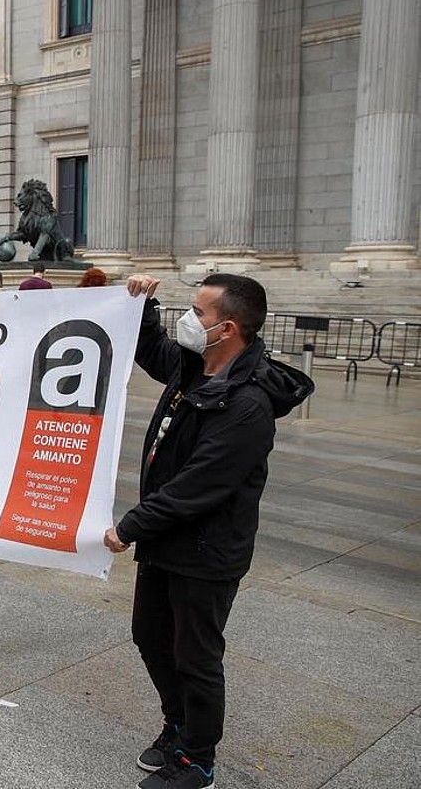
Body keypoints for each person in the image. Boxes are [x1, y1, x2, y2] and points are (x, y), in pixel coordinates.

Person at [105, 274, 313, 789]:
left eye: (197, 314)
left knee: (196, 656)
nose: (189, 321)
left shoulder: (248, 405)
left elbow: (200, 486)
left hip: (207, 549)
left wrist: (129, 527)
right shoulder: (195, 365)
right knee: (150, 636)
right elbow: (153, 350)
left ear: (229, 328)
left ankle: (198, 759)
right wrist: (144, 304)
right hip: (167, 541)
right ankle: (176, 725)